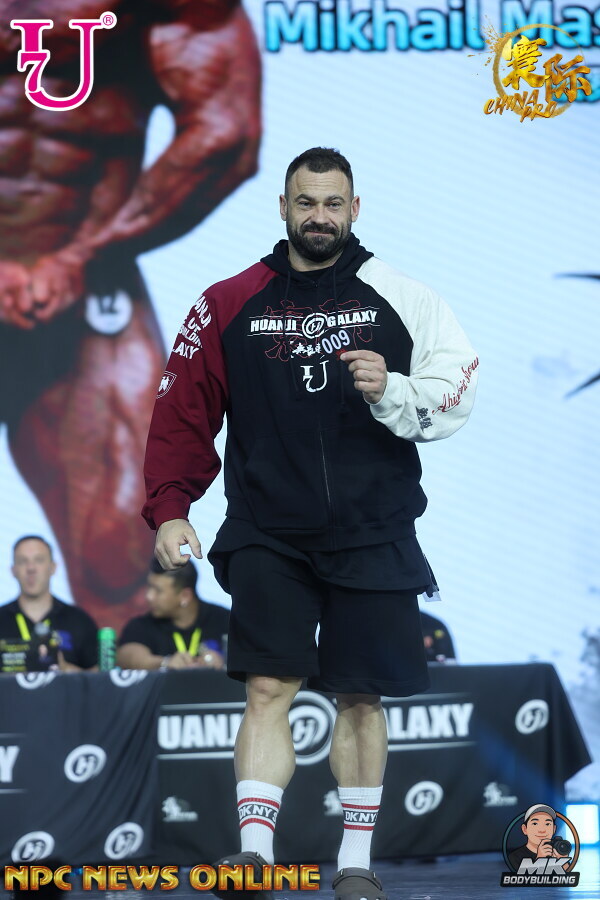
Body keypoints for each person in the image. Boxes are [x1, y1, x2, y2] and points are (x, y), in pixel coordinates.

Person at [142, 148, 479, 899]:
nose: (318, 217)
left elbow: (457, 390)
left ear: (355, 209)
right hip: (268, 529)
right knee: (268, 687)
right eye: (305, 202)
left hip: (375, 528)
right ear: (284, 207)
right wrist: (170, 507)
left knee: (360, 696)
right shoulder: (228, 301)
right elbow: (180, 413)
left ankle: (355, 866)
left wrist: (392, 389)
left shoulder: (404, 296)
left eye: (332, 203)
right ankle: (254, 859)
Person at [0, 0, 260, 633]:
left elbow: (225, 136)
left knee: (121, 553)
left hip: (81, 285)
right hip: (69, 270)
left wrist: (84, 253)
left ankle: (118, 695)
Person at [0, 535, 98, 671]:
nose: (31, 568)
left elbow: (99, 677)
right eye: (22, 561)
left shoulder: (79, 620)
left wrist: (64, 669)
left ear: (53, 567)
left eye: (39, 560)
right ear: (13, 570)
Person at [117, 557, 229, 670]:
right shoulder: (140, 625)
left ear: (185, 596)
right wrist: (165, 663)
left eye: (158, 590)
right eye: (149, 587)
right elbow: (126, 657)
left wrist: (224, 661)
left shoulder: (225, 620)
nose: (149, 596)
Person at [508, 805, 570, 871]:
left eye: (547, 824)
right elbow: (522, 877)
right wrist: (539, 859)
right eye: (535, 824)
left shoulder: (556, 852)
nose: (542, 830)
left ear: (554, 829)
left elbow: (569, 876)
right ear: (525, 829)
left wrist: (563, 861)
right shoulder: (515, 857)